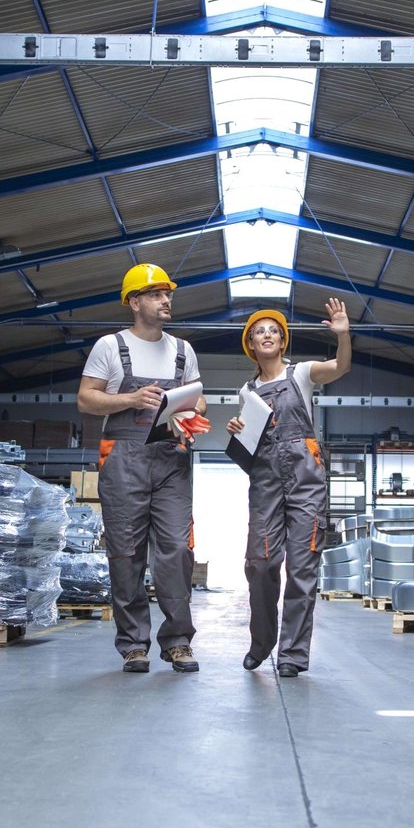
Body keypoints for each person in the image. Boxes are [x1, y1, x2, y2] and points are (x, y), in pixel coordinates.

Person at [77, 263, 210, 675]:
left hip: (171, 459)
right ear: (135, 302)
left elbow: (200, 402)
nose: (166, 299)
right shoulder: (109, 346)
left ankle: (178, 641)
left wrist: (185, 413)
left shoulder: (183, 350)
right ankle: (134, 644)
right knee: (126, 553)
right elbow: (87, 399)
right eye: (155, 294)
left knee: (176, 550)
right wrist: (132, 400)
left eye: (167, 293)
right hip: (123, 458)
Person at [225, 297, 351, 677]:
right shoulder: (246, 391)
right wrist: (237, 429)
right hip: (265, 480)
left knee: (302, 568)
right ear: (251, 343)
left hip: (305, 479)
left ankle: (293, 655)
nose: (267, 335)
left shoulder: (302, 374)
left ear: (282, 342)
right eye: (259, 331)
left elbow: (340, 367)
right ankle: (262, 642)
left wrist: (343, 336)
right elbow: (249, 445)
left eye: (274, 331)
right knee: (260, 564)